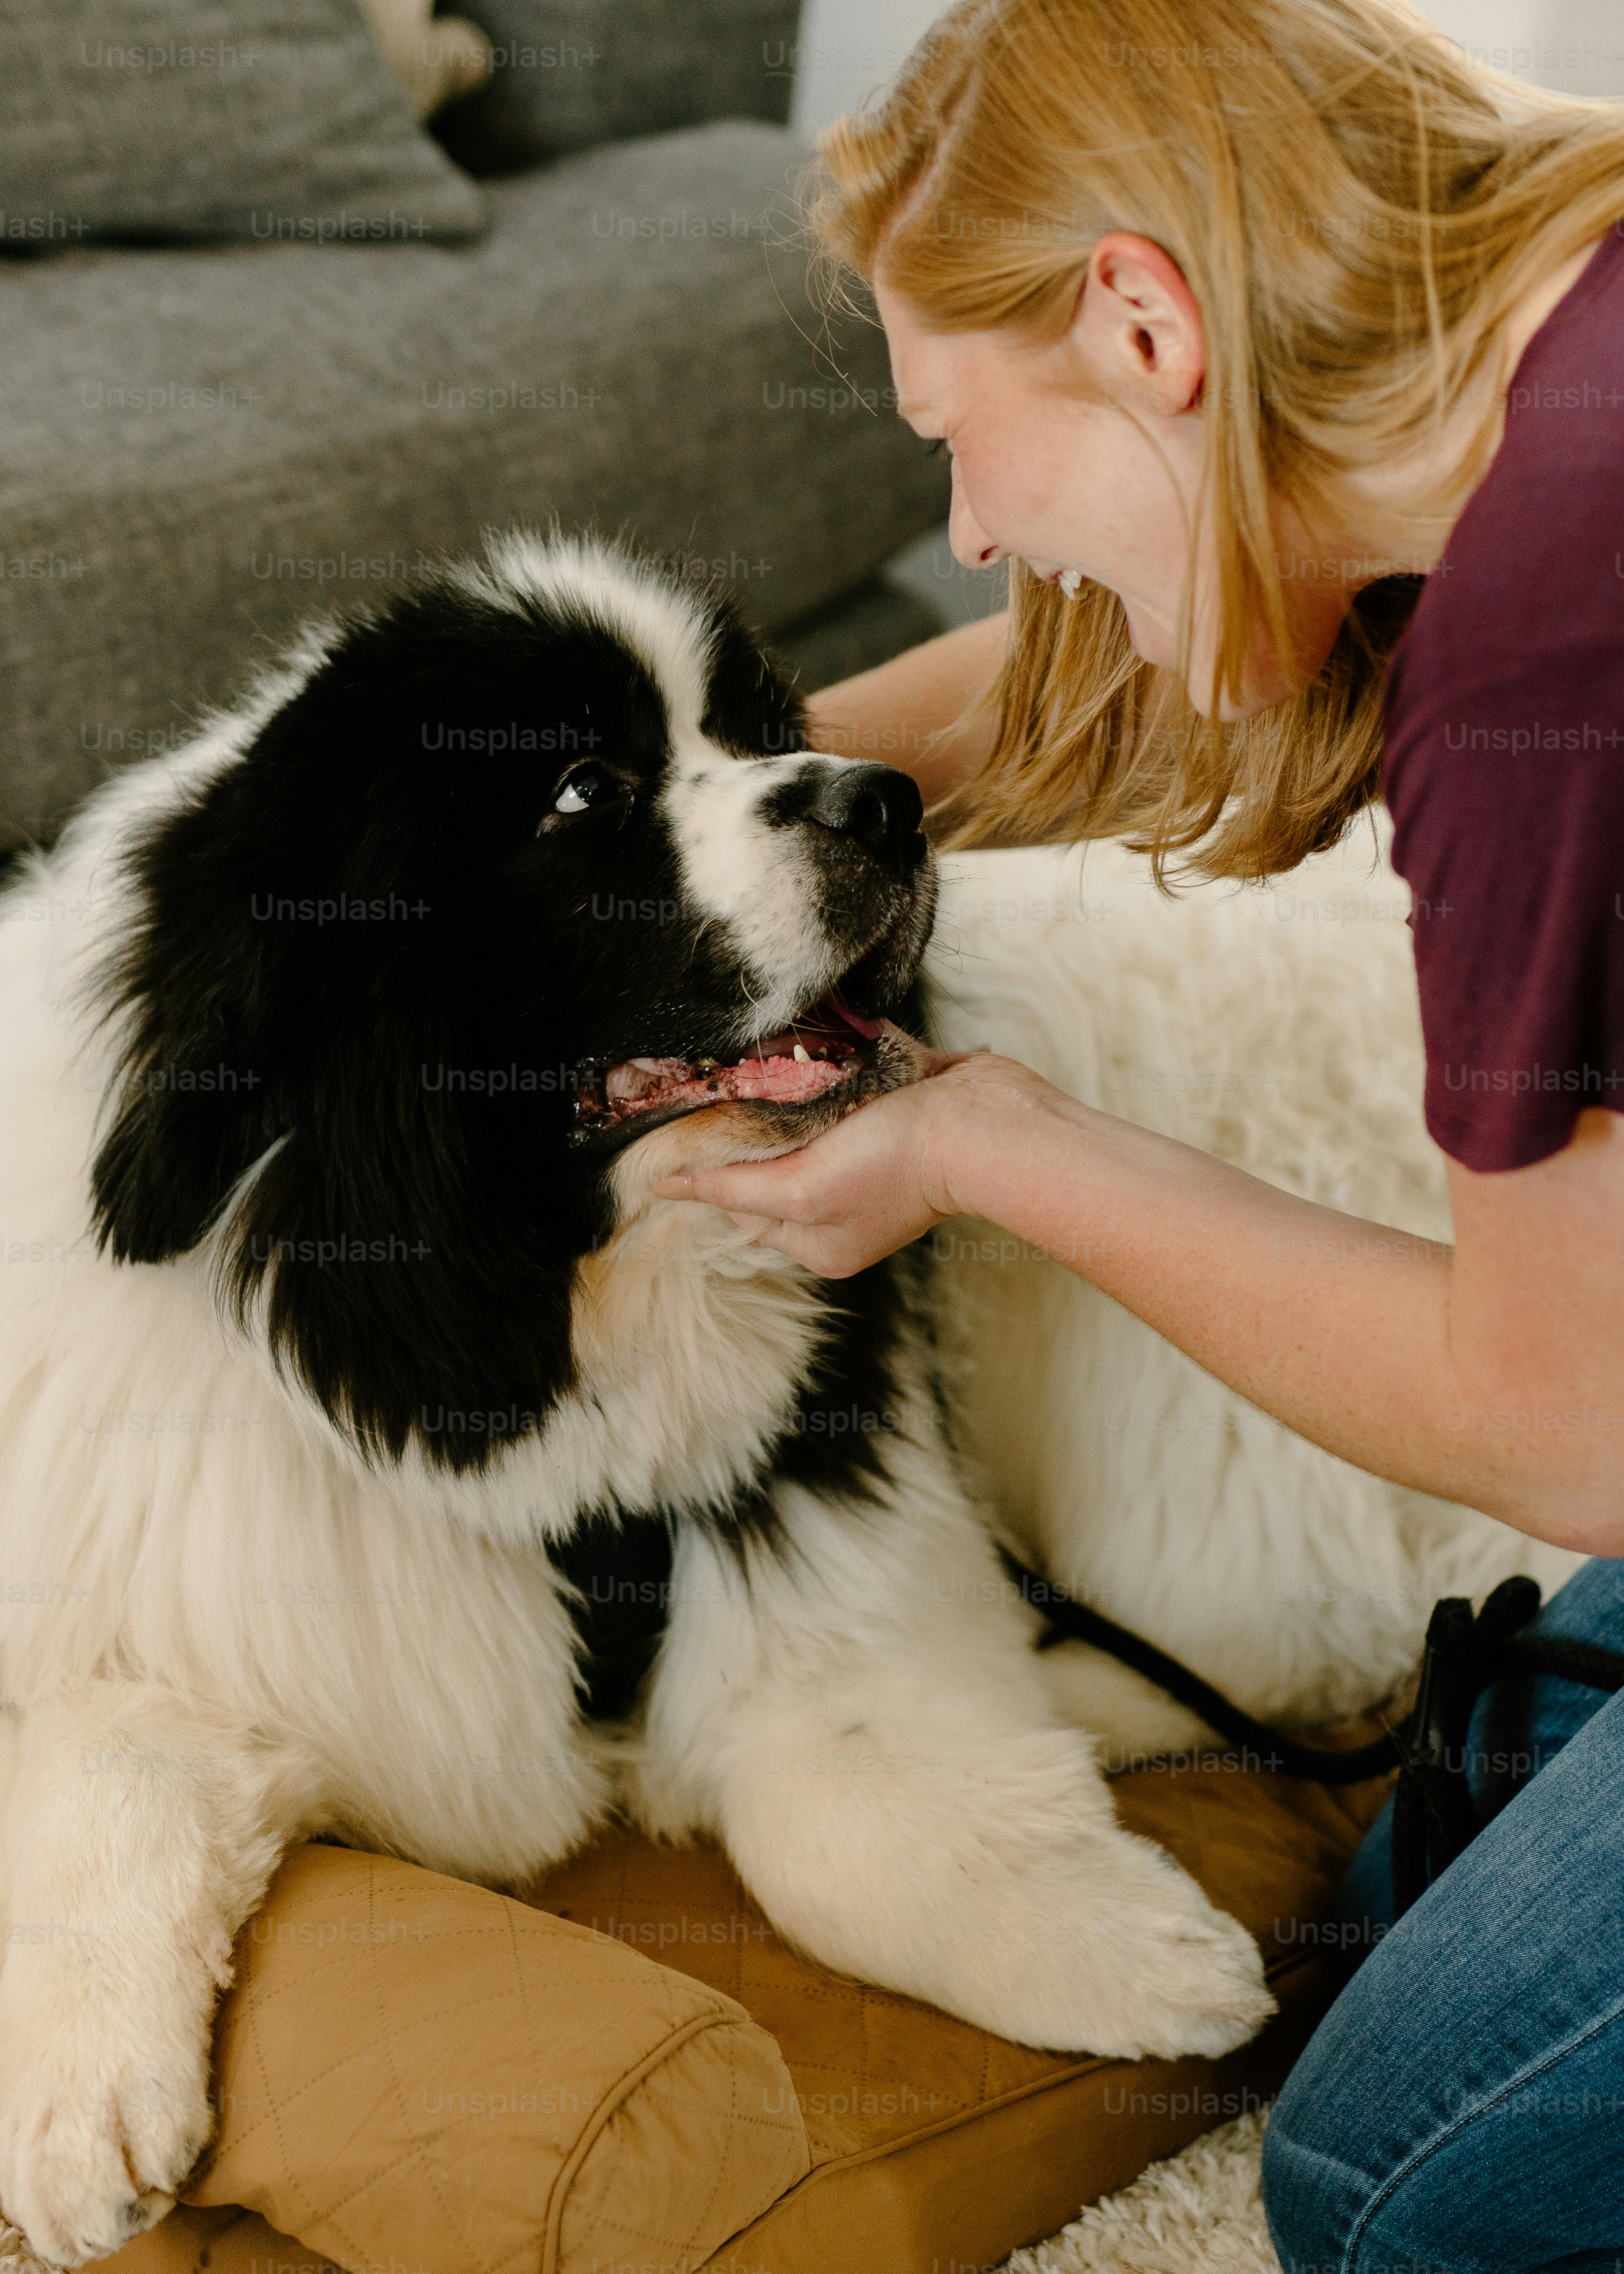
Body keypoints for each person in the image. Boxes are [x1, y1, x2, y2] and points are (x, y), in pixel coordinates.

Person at [651, 0, 1624, 2261]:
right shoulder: (1541, 361)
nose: (973, 534)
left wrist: (998, 1143)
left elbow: (1563, 1426)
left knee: (1394, 2172)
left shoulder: (1537, 641)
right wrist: (698, 813)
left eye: (955, 444)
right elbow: (1086, 660)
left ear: (1138, 317)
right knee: (1417, 1878)